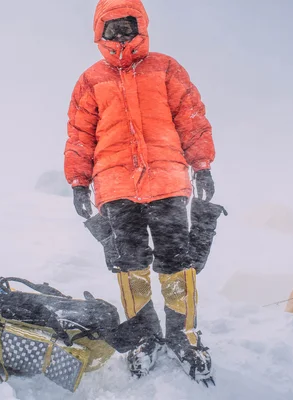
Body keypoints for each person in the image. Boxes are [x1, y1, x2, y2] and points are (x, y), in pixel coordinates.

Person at [64, 0, 216, 385]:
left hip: (166, 181)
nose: (120, 34)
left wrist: (202, 166)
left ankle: (184, 335)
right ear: (99, 32)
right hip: (116, 188)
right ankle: (144, 336)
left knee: (176, 263)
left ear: (141, 25)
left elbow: (191, 116)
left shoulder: (165, 67)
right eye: (111, 28)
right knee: (129, 266)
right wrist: (79, 182)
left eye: (127, 25)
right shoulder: (91, 79)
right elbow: (79, 137)